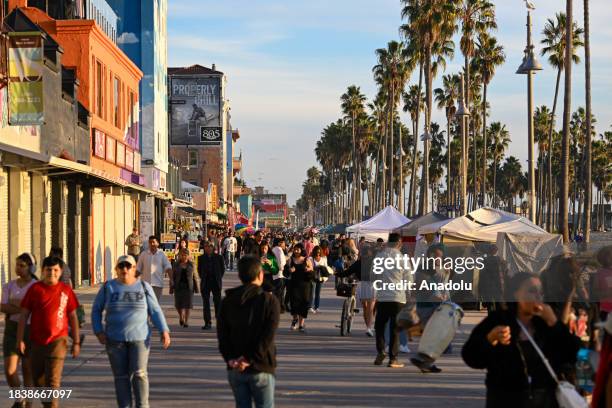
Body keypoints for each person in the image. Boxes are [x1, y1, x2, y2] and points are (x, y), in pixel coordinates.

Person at [462, 272, 581, 408]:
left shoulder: (545, 324)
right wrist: (490, 339)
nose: (538, 296)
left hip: (544, 400)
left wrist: (554, 323)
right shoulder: (498, 320)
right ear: (515, 294)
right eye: (532, 291)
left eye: (540, 292)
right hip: (505, 400)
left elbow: (572, 354)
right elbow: (471, 357)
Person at [92, 255, 171, 408]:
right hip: (115, 340)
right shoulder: (108, 287)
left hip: (139, 339)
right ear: (116, 269)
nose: (125, 269)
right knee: (121, 377)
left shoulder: (144, 286)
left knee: (139, 373)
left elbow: (155, 310)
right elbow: (96, 310)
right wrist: (98, 330)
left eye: (128, 266)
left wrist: (164, 330)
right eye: (121, 266)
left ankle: (142, 405)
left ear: (135, 269)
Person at [17, 256, 80, 408]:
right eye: (48, 270)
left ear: (60, 272)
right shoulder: (35, 289)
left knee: (53, 382)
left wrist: (76, 341)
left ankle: (52, 405)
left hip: (58, 340)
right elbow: (24, 314)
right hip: (37, 342)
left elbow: (72, 316)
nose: (52, 273)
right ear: (43, 271)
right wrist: (19, 339)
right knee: (38, 379)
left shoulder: (65, 291)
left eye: (55, 270)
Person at [217, 256, 280, 408]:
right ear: (260, 275)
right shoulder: (269, 301)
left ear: (240, 276)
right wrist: (249, 359)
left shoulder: (227, 301)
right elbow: (267, 336)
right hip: (261, 366)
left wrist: (231, 359)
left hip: (235, 366)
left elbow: (222, 335)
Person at [2, 253, 37, 407]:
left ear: (31, 267)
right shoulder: (9, 285)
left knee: (27, 369)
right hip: (11, 329)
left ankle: (28, 403)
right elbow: (3, 306)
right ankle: (19, 397)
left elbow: (35, 308)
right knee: (10, 370)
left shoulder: (36, 286)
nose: (18, 268)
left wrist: (14, 306)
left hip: (31, 329)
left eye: (22, 265)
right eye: (17, 265)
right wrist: (23, 307)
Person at [373, 233, 411, 368]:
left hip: (383, 297)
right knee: (394, 328)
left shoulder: (379, 256)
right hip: (398, 298)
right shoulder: (403, 259)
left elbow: (373, 276)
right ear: (399, 243)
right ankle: (393, 359)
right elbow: (408, 280)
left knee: (379, 326)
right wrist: (409, 295)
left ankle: (381, 351)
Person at [286, 243, 314, 332]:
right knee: (294, 304)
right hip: (294, 284)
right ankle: (294, 320)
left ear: (302, 250)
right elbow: (285, 271)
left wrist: (308, 269)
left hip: (305, 285)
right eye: (295, 249)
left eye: (298, 249)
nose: (296, 251)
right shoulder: (291, 260)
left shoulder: (306, 259)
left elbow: (312, 269)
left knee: (303, 304)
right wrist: (290, 270)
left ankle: (301, 324)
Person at [136, 236, 172, 302]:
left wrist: (171, 280)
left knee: (155, 304)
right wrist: (132, 280)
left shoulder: (162, 255)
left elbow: (168, 267)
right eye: (150, 242)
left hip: (157, 285)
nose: (152, 244)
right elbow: (138, 269)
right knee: (146, 304)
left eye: (153, 242)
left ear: (157, 243)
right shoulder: (143, 254)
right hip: (145, 285)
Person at [198, 242, 225, 330]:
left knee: (218, 303)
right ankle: (207, 322)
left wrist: (218, 277)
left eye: (210, 246)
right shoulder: (201, 258)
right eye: (206, 246)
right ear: (204, 248)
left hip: (215, 282)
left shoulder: (219, 257)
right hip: (205, 282)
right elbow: (199, 270)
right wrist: (203, 277)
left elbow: (222, 269)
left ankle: (219, 323)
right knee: (206, 304)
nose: (208, 248)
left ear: (213, 248)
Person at [478, 245, 508, 313]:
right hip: (498, 286)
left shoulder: (485, 260)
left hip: (488, 286)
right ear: (496, 251)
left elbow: (482, 274)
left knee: (490, 305)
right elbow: (505, 272)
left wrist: (480, 288)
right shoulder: (500, 260)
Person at [171, 249, 196, 327]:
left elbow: (195, 276)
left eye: (185, 255)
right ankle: (181, 316)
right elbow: (172, 276)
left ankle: (186, 321)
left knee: (188, 305)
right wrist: (171, 287)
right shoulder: (176, 264)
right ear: (179, 255)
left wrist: (197, 288)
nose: (184, 256)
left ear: (188, 256)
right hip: (178, 286)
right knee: (178, 304)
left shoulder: (192, 264)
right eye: (182, 255)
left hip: (189, 287)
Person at [308, 246, 329, 313]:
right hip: (313, 278)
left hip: (320, 277)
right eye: (317, 252)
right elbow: (308, 267)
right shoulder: (311, 258)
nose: (318, 254)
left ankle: (317, 307)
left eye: (319, 252)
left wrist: (325, 278)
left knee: (318, 293)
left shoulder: (324, 259)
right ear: (314, 252)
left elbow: (326, 268)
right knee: (311, 292)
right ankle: (310, 307)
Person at [271, 238, 287, 311]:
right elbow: (281, 262)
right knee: (280, 293)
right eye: (283, 242)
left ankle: (276, 307)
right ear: (279, 243)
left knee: (276, 292)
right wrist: (282, 267)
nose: (284, 244)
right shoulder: (279, 250)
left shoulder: (273, 249)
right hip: (280, 274)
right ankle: (279, 308)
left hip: (274, 275)